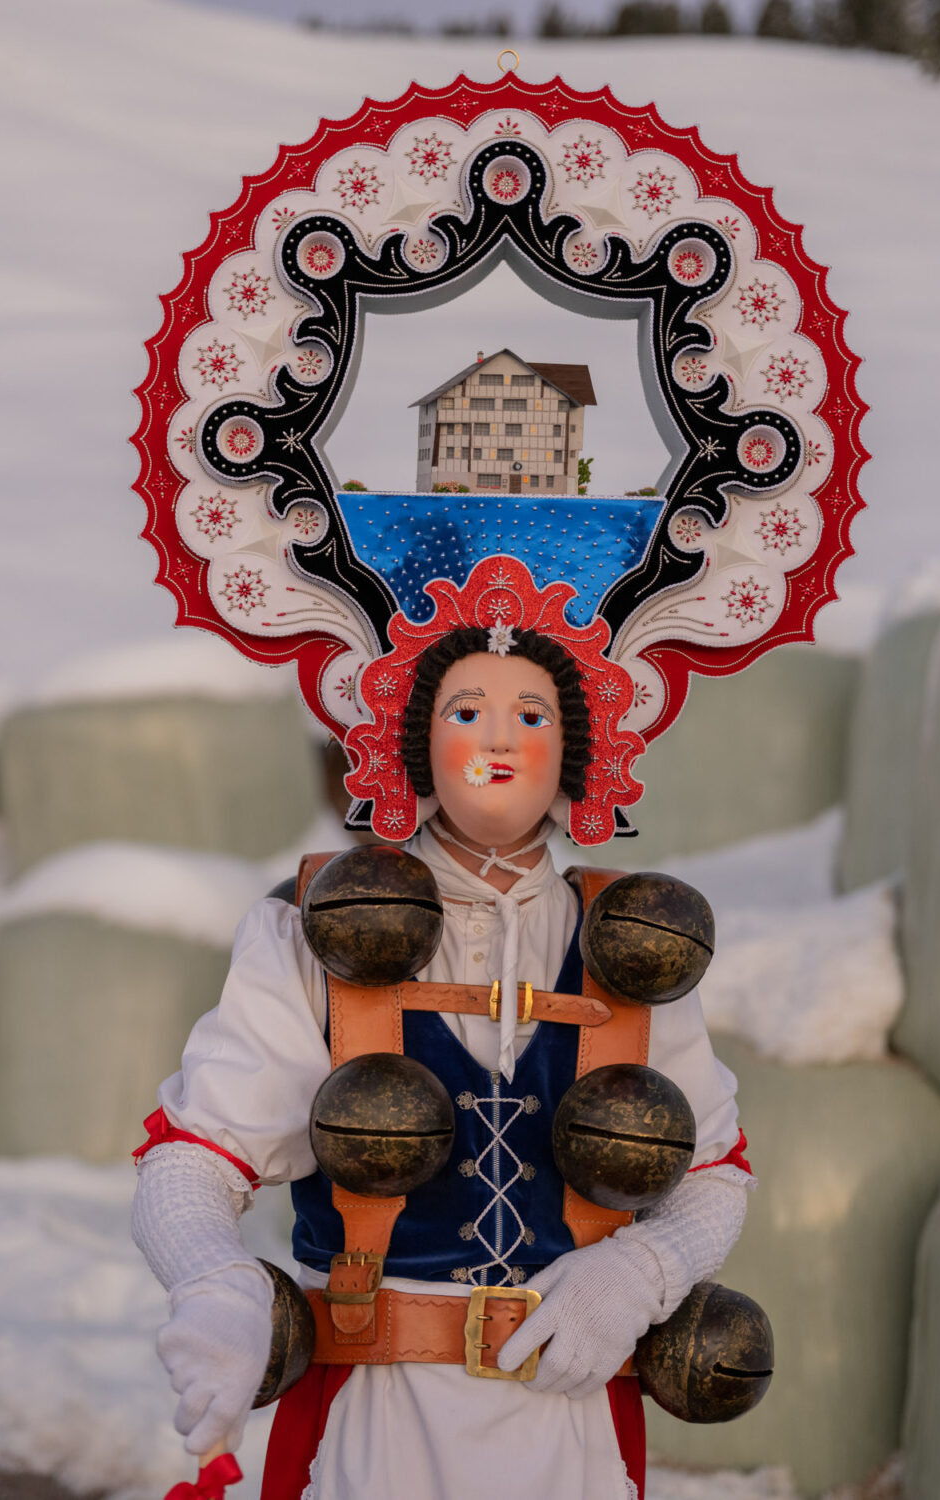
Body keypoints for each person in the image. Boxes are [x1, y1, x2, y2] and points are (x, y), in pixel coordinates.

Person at [129, 619, 754, 1500]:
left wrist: (640, 1272)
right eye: (468, 709)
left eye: (532, 714)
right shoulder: (313, 928)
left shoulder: (639, 942)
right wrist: (214, 1282)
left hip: (572, 1421)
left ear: (578, 745)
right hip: (373, 1418)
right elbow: (194, 1160)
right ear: (414, 736)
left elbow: (716, 1172)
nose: (499, 736)